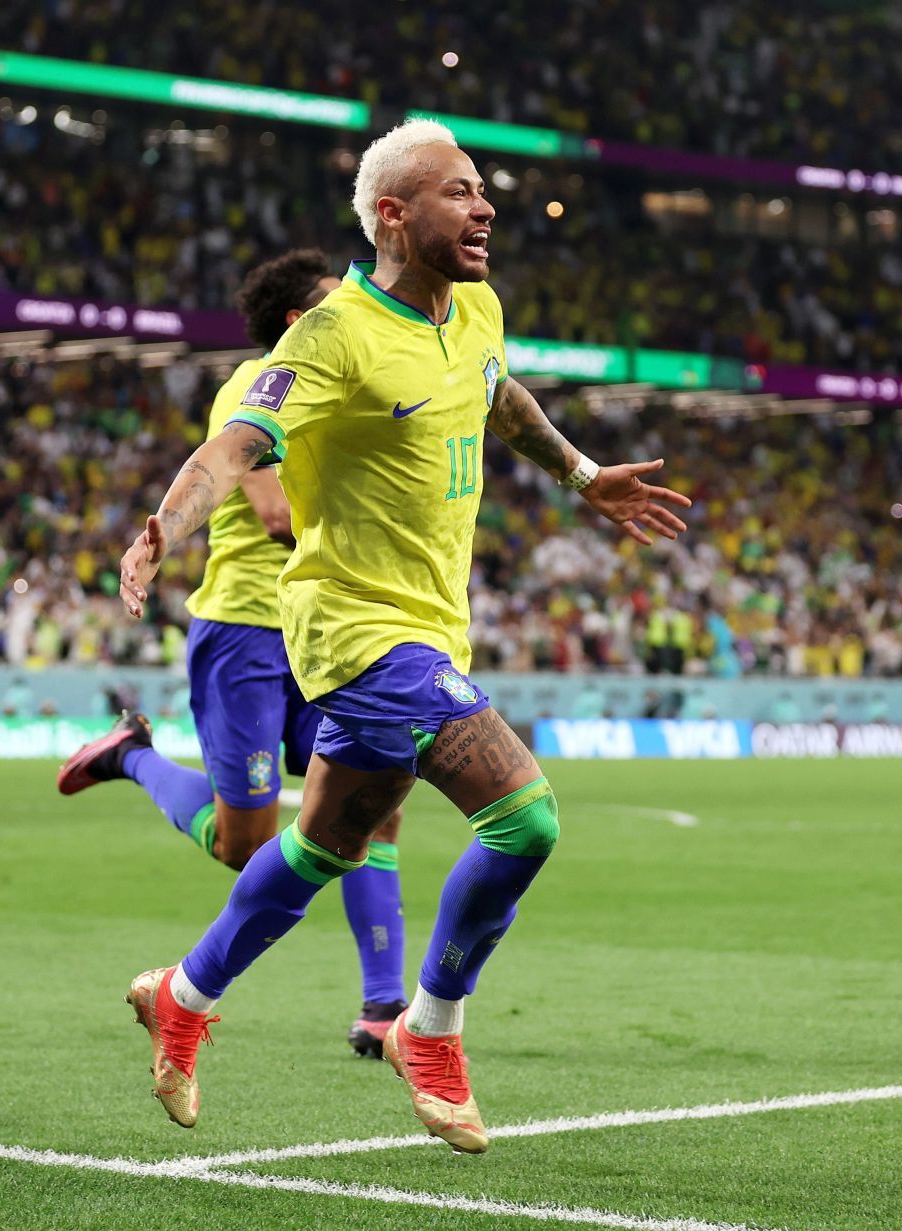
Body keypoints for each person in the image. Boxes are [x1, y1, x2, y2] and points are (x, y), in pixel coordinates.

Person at [112, 119, 690, 1151]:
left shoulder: (476, 306)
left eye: (483, 189)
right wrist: (168, 522)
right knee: (526, 820)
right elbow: (237, 441)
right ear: (393, 214)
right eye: (459, 192)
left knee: (323, 847)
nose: (486, 207)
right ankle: (430, 1026)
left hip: (433, 626)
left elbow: (496, 392)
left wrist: (580, 472)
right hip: (355, 631)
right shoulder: (331, 336)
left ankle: (184, 993)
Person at [57, 249, 413, 1058]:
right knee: (241, 846)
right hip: (248, 636)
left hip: (324, 633)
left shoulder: (349, 390)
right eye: (335, 303)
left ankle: (383, 1005)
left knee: (372, 803)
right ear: (300, 323)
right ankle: (132, 757)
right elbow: (280, 515)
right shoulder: (255, 387)